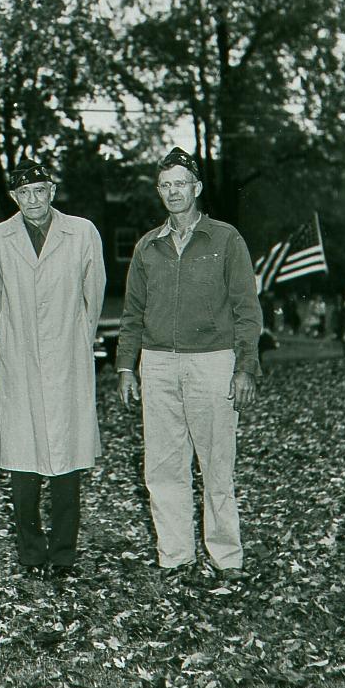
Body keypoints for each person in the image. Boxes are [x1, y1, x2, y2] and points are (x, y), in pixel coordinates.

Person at [116, 148, 260, 584]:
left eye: (180, 183)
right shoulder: (148, 245)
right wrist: (126, 366)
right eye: (165, 185)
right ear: (158, 192)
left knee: (217, 463)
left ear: (196, 188)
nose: (173, 192)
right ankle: (175, 555)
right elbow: (132, 312)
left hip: (213, 362)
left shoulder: (225, 239)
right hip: (157, 364)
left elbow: (247, 308)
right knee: (163, 464)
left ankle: (225, 556)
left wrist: (246, 366)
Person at [0, 159, 105, 582]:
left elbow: (94, 297)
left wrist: (73, 342)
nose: (33, 199)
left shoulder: (82, 232)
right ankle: (31, 551)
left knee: (67, 458)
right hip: (19, 359)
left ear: (51, 191)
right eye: (23, 193)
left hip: (67, 357)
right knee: (23, 458)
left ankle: (64, 552)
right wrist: (17, 341)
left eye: (40, 190)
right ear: (13, 198)